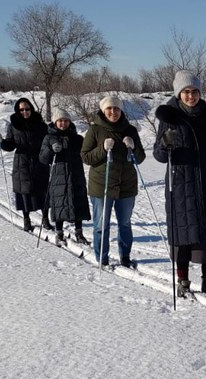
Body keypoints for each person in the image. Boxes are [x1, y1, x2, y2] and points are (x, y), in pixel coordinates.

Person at [153, 70, 206, 296]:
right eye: (186, 92)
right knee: (182, 234)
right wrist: (165, 143)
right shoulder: (168, 117)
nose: (191, 96)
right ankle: (182, 281)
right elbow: (160, 156)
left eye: (195, 92)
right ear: (179, 93)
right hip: (180, 183)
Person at [81, 95, 146, 268]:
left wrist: (133, 147)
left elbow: (139, 158)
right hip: (102, 185)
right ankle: (102, 257)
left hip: (126, 185)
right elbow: (85, 157)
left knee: (124, 223)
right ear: (103, 110)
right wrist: (102, 149)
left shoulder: (130, 130)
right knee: (101, 225)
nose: (113, 112)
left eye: (116, 109)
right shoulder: (95, 130)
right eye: (109, 109)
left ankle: (125, 256)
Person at [0, 97, 49, 232]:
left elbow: (47, 140)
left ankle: (45, 218)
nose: (25, 112)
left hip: (39, 161)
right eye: (22, 110)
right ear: (18, 111)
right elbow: (10, 145)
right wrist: (1, 142)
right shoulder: (14, 126)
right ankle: (26, 219)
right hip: (22, 162)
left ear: (31, 108)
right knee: (25, 191)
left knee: (42, 190)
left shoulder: (40, 124)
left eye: (27, 109)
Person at [38, 107, 90, 246]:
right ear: (55, 122)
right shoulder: (49, 138)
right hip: (58, 177)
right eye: (60, 121)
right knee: (59, 204)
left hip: (76, 174)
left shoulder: (77, 138)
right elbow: (43, 159)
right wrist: (50, 150)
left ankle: (79, 233)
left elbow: (85, 154)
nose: (63, 123)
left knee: (78, 203)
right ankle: (59, 233)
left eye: (66, 121)